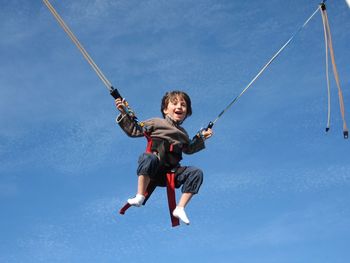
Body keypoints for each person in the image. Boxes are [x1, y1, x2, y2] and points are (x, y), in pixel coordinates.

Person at [115, 90, 213, 225]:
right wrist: (124, 113)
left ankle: (180, 208)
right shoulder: (156, 122)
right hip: (154, 166)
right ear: (166, 110)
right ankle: (140, 195)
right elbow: (135, 130)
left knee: (196, 173)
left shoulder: (183, 134)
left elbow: (189, 149)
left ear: (187, 112)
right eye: (175, 103)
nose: (179, 107)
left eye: (183, 105)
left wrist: (202, 138)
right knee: (148, 158)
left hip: (172, 172)